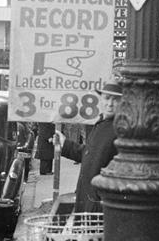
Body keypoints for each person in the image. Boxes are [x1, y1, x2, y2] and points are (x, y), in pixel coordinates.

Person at [52, 82, 122, 213]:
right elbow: (89, 154)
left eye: (115, 100)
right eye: (107, 98)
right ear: (101, 99)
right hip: (88, 198)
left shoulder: (120, 129)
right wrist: (65, 144)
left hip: (100, 203)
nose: (110, 104)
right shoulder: (102, 123)